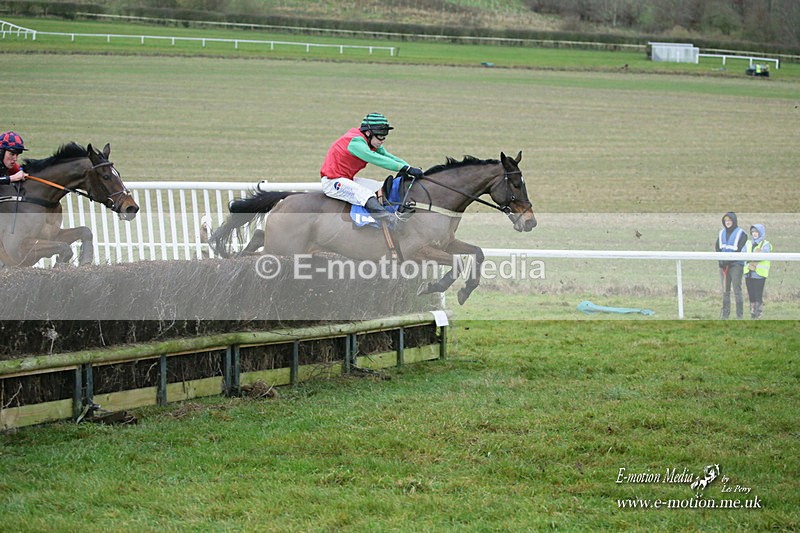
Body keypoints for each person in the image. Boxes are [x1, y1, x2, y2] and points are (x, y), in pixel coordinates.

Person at [320, 113, 423, 222]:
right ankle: (390, 220)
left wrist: (408, 167)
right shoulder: (356, 143)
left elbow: (387, 156)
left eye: (384, 136)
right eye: (380, 136)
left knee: (379, 187)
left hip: (346, 179)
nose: (382, 140)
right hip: (333, 182)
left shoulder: (368, 140)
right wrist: (404, 169)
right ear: (368, 133)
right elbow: (376, 159)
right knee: (365, 194)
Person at [715, 212, 747, 319]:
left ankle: (739, 316)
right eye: (726, 221)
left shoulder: (742, 233)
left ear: (734, 221)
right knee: (725, 291)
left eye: (729, 220)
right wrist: (721, 261)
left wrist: (729, 260)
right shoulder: (721, 233)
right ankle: (725, 314)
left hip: (736, 265)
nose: (727, 222)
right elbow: (717, 247)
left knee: (737, 290)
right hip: (723, 265)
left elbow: (739, 248)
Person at [744, 224, 772, 319]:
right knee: (751, 295)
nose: (754, 234)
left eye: (756, 232)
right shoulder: (748, 243)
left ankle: (758, 313)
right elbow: (742, 254)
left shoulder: (765, 244)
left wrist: (751, 257)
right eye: (753, 232)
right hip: (748, 273)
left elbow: (764, 255)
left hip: (759, 274)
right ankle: (752, 313)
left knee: (758, 295)